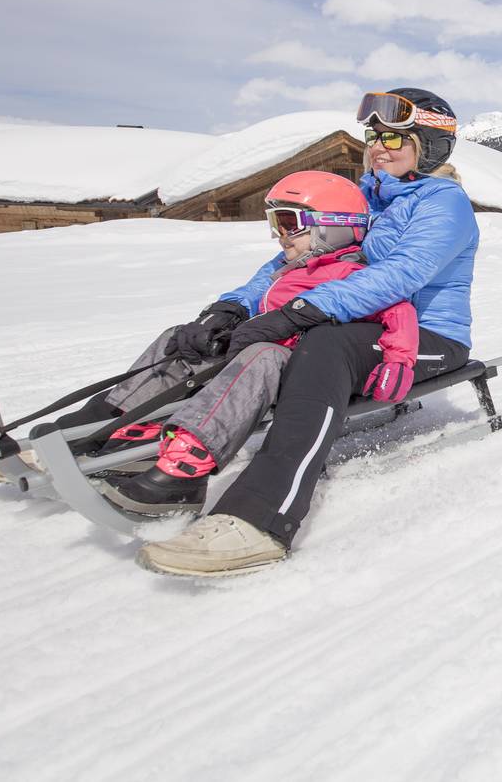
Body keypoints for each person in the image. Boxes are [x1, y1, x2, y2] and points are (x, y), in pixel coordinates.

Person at [137, 88, 479, 577]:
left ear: (428, 146)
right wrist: (233, 308)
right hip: (353, 324)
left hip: (423, 337)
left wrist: (301, 312)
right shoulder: (362, 197)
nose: (378, 147)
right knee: (208, 338)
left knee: (324, 345)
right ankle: (113, 440)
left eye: (394, 139)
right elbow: (291, 261)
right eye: (374, 137)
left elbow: (401, 275)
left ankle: (259, 518)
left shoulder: (444, 205)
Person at [92, 171, 419, 518]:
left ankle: (188, 467)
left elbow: (399, 313)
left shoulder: (350, 273)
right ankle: (128, 425)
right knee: (180, 338)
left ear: (333, 225)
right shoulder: (287, 270)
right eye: (275, 223)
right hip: (251, 354)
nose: (280, 235)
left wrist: (399, 362)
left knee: (262, 355)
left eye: (289, 223)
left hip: (295, 368)